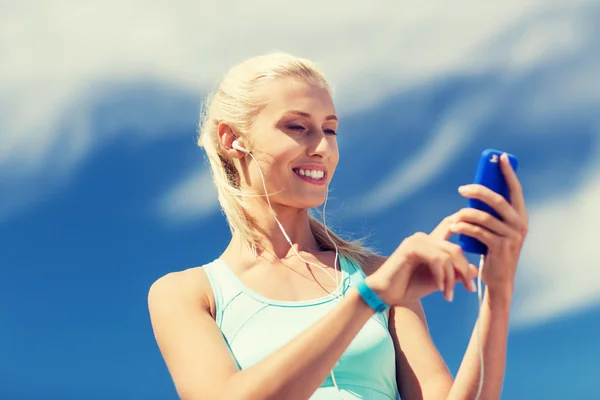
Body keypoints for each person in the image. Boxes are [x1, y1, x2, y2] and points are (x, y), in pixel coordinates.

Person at [148, 52, 529, 400]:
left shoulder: (379, 275)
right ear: (233, 140)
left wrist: (497, 290)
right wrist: (368, 299)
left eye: (330, 130)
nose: (321, 147)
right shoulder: (186, 294)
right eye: (297, 127)